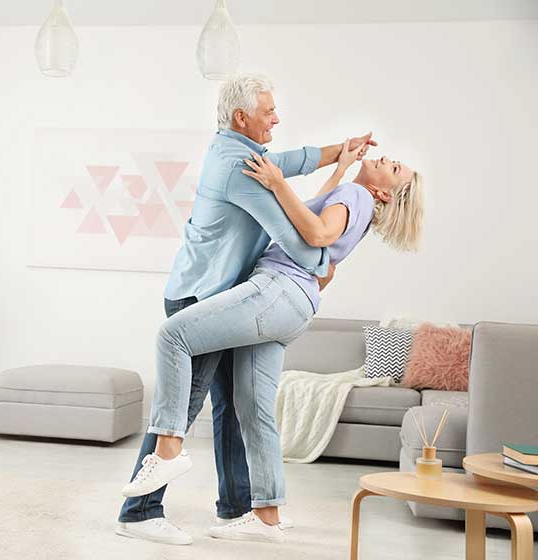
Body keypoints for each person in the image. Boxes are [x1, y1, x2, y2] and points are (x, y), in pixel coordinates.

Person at [115, 72, 376, 546]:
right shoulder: (240, 169)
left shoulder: (238, 150)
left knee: (230, 408)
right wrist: (325, 261)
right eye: (268, 111)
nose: (277, 116)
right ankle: (139, 512)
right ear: (241, 117)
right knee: (182, 408)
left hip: (221, 291)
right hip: (201, 294)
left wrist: (341, 150)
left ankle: (236, 509)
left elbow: (292, 162)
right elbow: (296, 237)